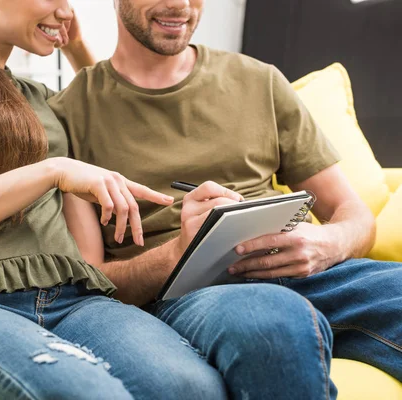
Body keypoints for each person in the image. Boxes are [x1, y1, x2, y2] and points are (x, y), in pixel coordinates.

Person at [0, 0, 229, 399]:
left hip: (70, 299)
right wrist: (51, 171)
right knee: (86, 393)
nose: (67, 11)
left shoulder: (36, 98)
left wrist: (73, 46)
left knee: (193, 388)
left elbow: (105, 104)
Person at [48, 0, 402, 398]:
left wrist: (328, 243)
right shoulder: (66, 116)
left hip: (307, 274)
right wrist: (180, 251)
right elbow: (89, 282)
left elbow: (353, 214)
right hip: (191, 297)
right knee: (274, 324)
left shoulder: (260, 81)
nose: (179, 5)